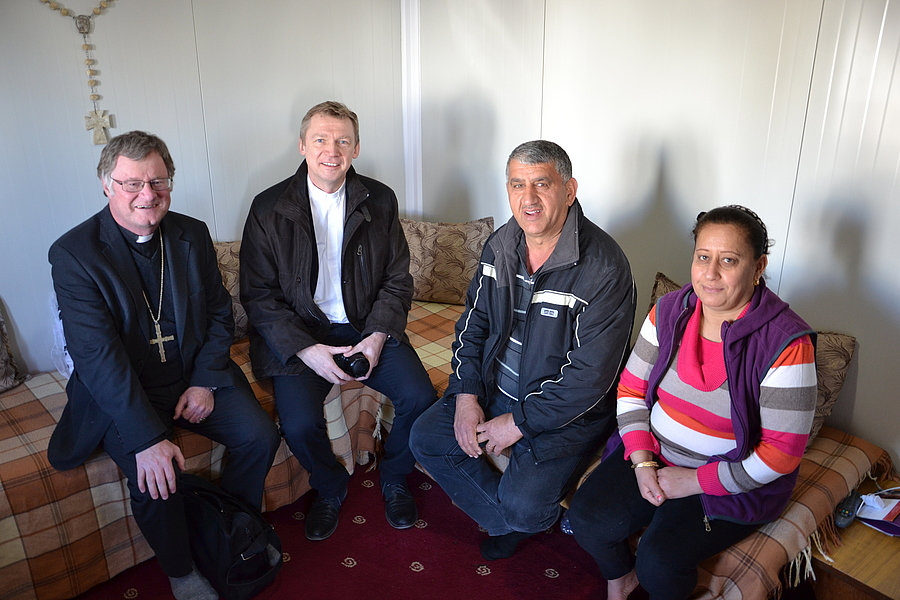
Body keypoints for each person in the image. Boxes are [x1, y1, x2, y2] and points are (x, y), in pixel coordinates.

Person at [48, 130, 281, 600]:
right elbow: (97, 357)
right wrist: (147, 439)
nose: (147, 194)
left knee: (260, 435)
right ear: (106, 185)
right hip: (127, 390)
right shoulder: (74, 254)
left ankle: (230, 528)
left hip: (193, 375)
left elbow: (219, 314)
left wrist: (205, 383)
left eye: (158, 181)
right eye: (132, 183)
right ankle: (181, 570)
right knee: (156, 475)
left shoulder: (191, 233)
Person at [567, 205, 818, 600]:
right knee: (587, 519)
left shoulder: (786, 343)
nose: (710, 273)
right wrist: (642, 461)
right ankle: (620, 579)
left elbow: (781, 455)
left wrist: (695, 481)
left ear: (758, 267)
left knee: (660, 563)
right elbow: (630, 391)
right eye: (703, 257)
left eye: (728, 260)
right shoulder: (668, 312)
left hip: (729, 477)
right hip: (655, 454)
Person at [410, 140, 636, 561]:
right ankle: (506, 521)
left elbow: (590, 379)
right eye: (517, 184)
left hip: (564, 415)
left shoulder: (605, 268)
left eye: (541, 184)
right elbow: (473, 324)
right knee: (426, 438)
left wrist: (518, 422)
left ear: (569, 191)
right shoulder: (501, 244)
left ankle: (522, 517)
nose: (528, 198)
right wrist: (466, 395)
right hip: (496, 388)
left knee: (526, 506)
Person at [240, 101, 437, 541]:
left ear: (356, 148)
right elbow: (259, 295)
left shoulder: (379, 199)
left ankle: (394, 476)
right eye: (321, 140)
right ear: (302, 145)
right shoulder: (268, 207)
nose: (332, 150)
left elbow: (397, 279)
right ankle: (330, 485)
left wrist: (377, 337)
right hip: (301, 334)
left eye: (343, 141)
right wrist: (305, 350)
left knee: (421, 397)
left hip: (367, 326)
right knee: (298, 424)